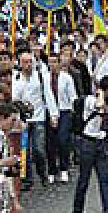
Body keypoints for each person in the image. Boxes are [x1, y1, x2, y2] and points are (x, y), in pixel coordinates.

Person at [71, 75, 108, 213]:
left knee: (105, 179)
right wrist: (101, 93)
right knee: (84, 178)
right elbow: (99, 106)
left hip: (99, 143)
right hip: (87, 143)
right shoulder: (91, 100)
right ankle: (77, 210)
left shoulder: (104, 100)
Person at [12, 49, 59, 187]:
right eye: (25, 62)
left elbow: (48, 95)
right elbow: (15, 100)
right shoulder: (16, 79)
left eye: (30, 62)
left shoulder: (40, 76)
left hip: (38, 117)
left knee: (39, 149)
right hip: (23, 119)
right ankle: (27, 179)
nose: (28, 65)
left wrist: (53, 114)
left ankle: (42, 173)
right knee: (24, 150)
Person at [46, 53, 77, 181]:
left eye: (54, 62)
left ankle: (64, 168)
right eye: (50, 62)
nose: (52, 65)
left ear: (59, 63)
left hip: (65, 110)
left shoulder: (66, 78)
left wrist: (74, 111)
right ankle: (52, 170)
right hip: (49, 111)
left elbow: (72, 96)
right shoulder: (45, 78)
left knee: (63, 140)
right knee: (50, 143)